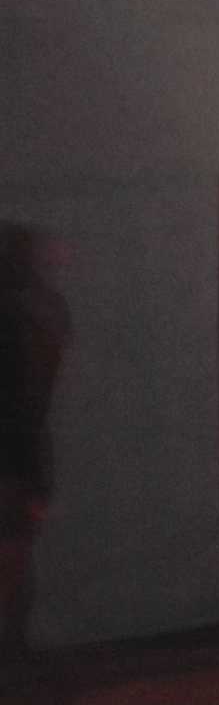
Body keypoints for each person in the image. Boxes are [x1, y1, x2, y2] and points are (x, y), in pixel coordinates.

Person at [0, 224, 69, 669]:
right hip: (28, 460)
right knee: (14, 568)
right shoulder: (50, 310)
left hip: (10, 456)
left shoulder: (10, 317)